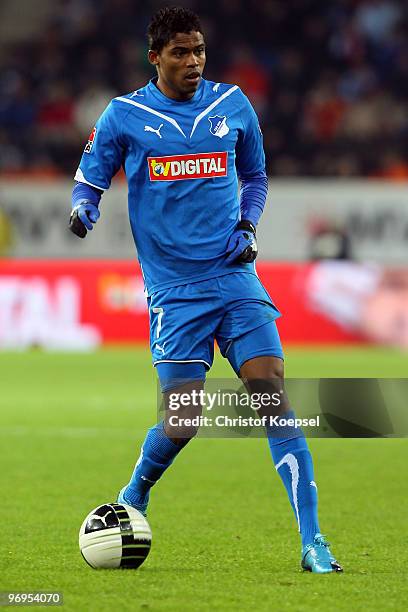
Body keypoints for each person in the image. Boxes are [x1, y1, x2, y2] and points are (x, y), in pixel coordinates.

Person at [69, 6, 342, 574]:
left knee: (270, 389)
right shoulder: (125, 115)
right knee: (183, 421)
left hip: (235, 276)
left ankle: (314, 541)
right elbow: (91, 175)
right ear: (156, 57)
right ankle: (137, 491)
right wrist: (83, 208)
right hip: (175, 291)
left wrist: (248, 225)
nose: (193, 62)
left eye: (199, 51)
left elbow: (257, 177)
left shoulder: (232, 104)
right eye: (180, 53)